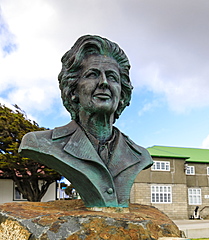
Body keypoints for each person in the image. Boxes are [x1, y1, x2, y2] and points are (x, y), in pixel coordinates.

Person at [19, 35, 153, 207]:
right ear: (73, 89)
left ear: (122, 95)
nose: (104, 83)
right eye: (92, 74)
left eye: (112, 77)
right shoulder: (39, 142)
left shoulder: (140, 156)